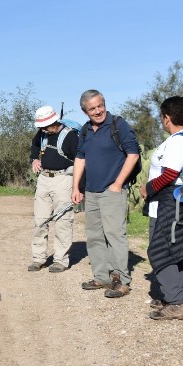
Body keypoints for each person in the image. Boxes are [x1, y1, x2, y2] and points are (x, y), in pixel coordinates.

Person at [139, 96, 183, 320]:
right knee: (175, 250)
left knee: (161, 251)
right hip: (177, 202)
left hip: (169, 203)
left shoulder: (177, 142)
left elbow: (169, 174)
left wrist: (148, 188)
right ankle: (174, 296)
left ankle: (177, 304)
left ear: (167, 118)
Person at [71, 89, 140, 298]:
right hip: (91, 191)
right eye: (92, 108)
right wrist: (76, 187)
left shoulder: (119, 125)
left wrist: (118, 184)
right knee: (94, 237)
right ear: (85, 111)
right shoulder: (84, 131)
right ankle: (101, 277)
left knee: (115, 235)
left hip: (112, 191)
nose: (98, 111)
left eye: (100, 105)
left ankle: (121, 281)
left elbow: (133, 154)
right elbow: (80, 158)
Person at [28, 105, 77, 273]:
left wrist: (78, 187)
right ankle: (38, 258)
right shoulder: (41, 134)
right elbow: (34, 146)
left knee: (63, 221)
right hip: (43, 180)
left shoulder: (70, 136)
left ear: (54, 121)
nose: (43, 130)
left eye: (45, 126)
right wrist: (34, 159)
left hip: (64, 180)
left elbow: (80, 161)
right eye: (41, 127)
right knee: (40, 221)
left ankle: (61, 260)